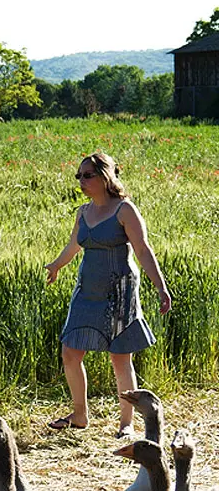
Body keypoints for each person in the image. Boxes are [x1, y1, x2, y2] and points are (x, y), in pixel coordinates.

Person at [44, 152, 171, 437]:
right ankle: (79, 416)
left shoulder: (124, 210)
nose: (81, 181)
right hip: (86, 292)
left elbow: (142, 250)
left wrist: (161, 287)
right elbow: (74, 246)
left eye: (87, 175)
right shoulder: (83, 213)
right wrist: (56, 265)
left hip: (119, 291)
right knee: (70, 352)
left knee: (120, 357)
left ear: (106, 176)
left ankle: (127, 424)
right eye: (79, 175)